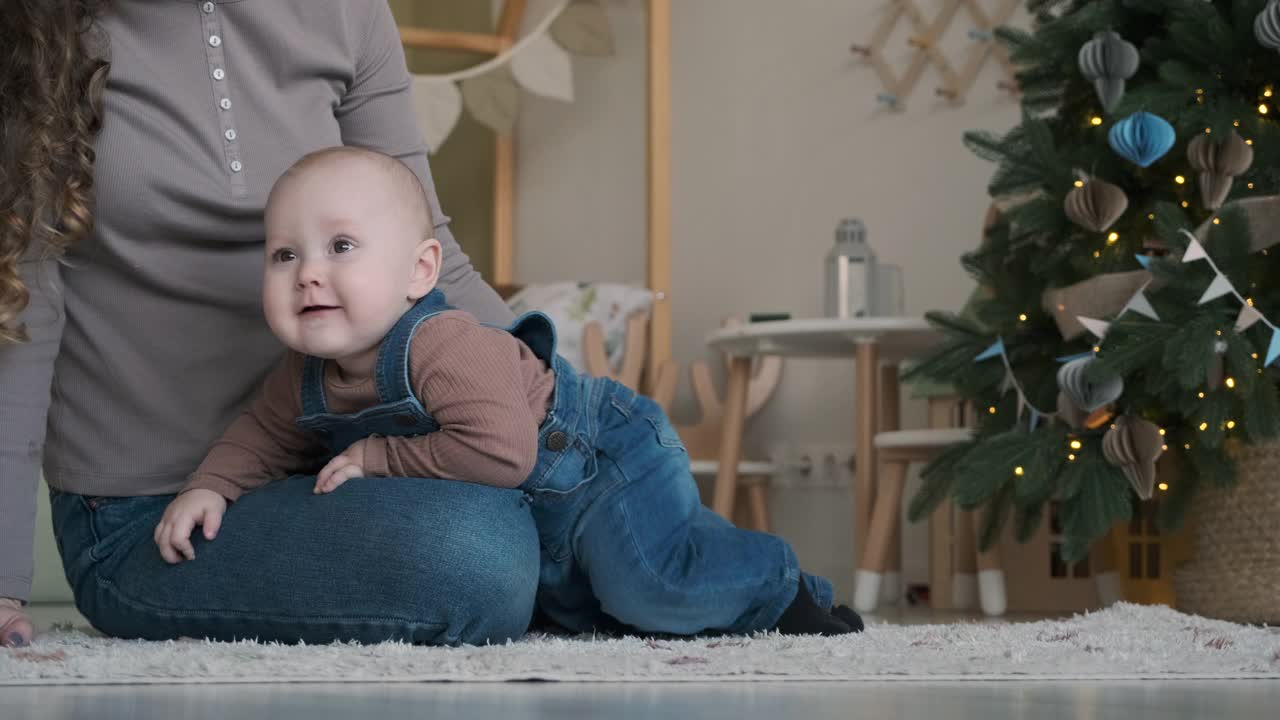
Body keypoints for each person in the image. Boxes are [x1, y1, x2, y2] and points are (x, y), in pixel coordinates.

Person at [0, 0, 539, 648]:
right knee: (478, 553)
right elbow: (21, 313)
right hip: (146, 515)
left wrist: (562, 408)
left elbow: (430, 257)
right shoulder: (36, 31)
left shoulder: (347, 12)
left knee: (572, 487)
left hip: (336, 465)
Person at [154, 146, 865, 637]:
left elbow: (501, 453)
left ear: (419, 270)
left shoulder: (442, 345)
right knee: (600, 612)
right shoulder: (301, 373)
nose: (307, 273)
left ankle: (784, 584)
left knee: (654, 590)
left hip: (601, 462)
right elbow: (262, 433)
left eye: (341, 247)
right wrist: (210, 488)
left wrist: (379, 459)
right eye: (285, 254)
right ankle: (703, 556)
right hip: (538, 507)